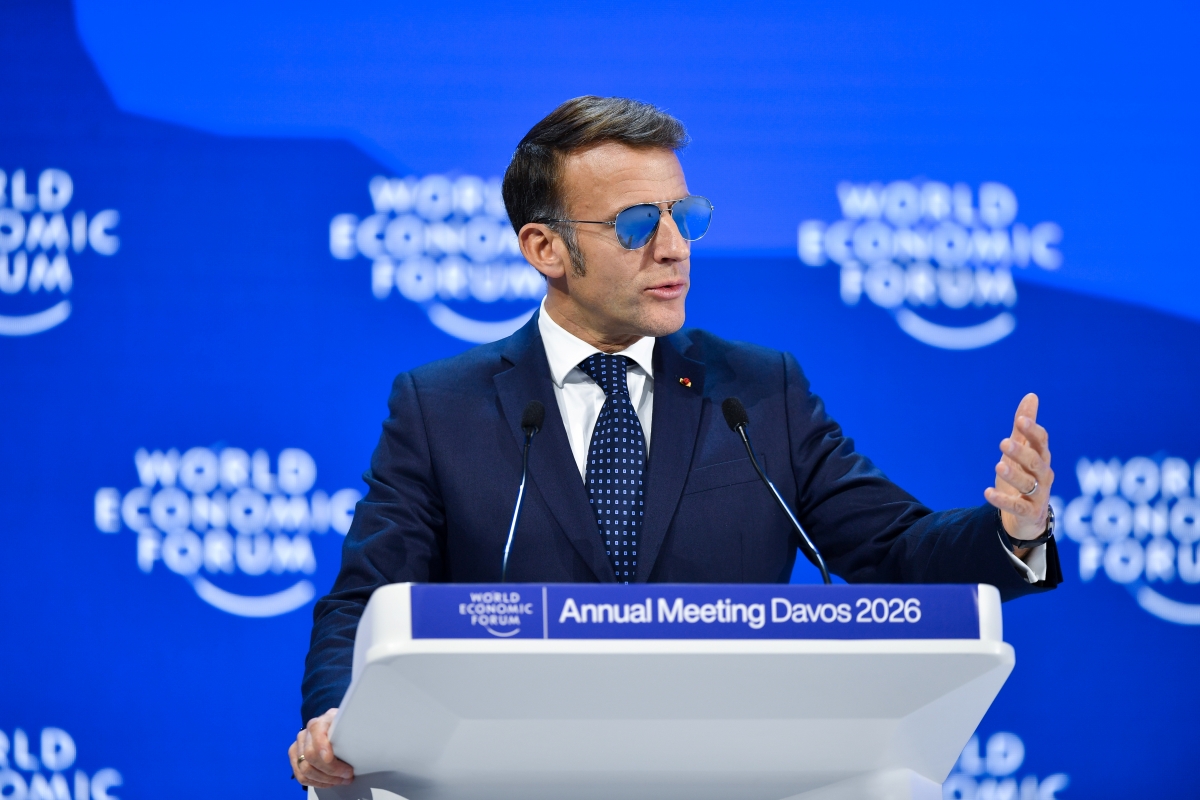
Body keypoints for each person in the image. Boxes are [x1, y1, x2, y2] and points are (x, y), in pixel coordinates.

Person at [289, 96, 1062, 788]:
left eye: (684, 216)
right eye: (635, 224)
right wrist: (334, 719)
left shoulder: (759, 392)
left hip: (728, 774)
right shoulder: (441, 407)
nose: (673, 247)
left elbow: (893, 551)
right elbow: (365, 600)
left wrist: (1014, 533)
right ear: (545, 248)